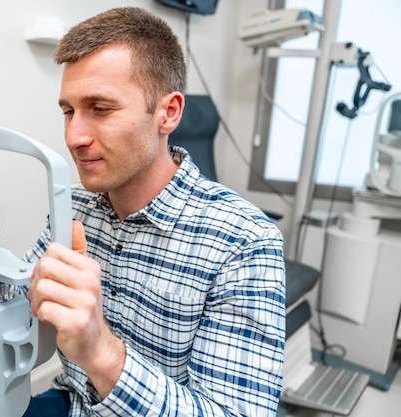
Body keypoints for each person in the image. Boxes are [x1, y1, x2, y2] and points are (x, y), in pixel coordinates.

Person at [22, 6, 285, 417]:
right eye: (69, 111)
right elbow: (23, 313)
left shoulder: (244, 241)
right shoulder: (73, 206)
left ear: (168, 113)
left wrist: (101, 353)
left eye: (101, 108)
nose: (74, 137)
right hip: (72, 402)